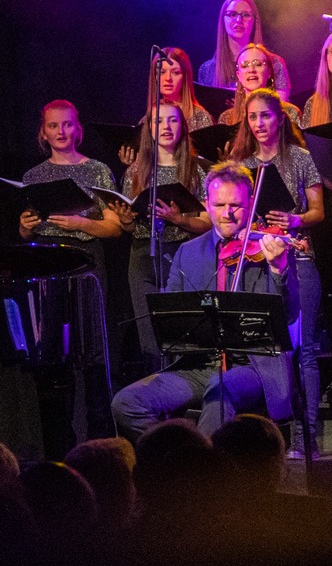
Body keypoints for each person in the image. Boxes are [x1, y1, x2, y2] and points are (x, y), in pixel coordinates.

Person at [109, 164, 295, 436]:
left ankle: (205, 473)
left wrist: (278, 269)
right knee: (126, 402)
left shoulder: (269, 250)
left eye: (236, 205)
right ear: (207, 204)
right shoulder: (188, 252)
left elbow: (289, 314)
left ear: (252, 203)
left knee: (219, 390)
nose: (228, 213)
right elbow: (171, 314)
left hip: (252, 368)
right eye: (219, 204)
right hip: (199, 367)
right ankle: (183, 457)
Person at [227, 90, 327, 445]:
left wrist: (294, 218)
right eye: (252, 118)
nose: (259, 124)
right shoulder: (244, 163)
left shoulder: (299, 158)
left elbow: (319, 211)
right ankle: (275, 436)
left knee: (307, 348)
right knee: (272, 349)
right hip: (258, 260)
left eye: (265, 116)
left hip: (299, 257)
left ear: (280, 118)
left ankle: (309, 434)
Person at [120, 102, 212, 364]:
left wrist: (179, 219)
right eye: (158, 121)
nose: (166, 127)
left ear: (183, 126)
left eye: (172, 120)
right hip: (142, 256)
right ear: (148, 128)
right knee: (150, 335)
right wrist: (126, 220)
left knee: (182, 331)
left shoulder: (197, 169)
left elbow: (208, 222)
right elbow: (128, 225)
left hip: (183, 253)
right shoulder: (135, 171)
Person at [17, 100, 124, 244]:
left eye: (67, 124)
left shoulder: (98, 170)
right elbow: (27, 235)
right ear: (43, 133)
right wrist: (25, 227)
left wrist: (81, 224)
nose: (60, 132)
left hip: (85, 252)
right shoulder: (32, 175)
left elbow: (115, 228)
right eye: (53, 126)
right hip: (44, 253)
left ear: (78, 129)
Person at [197, 0, 292, 92]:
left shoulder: (274, 63)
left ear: (255, 21)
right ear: (223, 20)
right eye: (232, 14)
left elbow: (282, 106)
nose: (238, 20)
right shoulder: (207, 70)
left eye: (246, 15)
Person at [143, 47, 212, 131]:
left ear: (185, 77)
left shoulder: (200, 118)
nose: (168, 78)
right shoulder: (146, 121)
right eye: (162, 72)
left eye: (175, 72)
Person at [217, 43, 288, 124]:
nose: (251, 70)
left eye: (257, 64)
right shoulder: (227, 118)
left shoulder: (288, 113)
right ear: (238, 75)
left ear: (269, 72)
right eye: (245, 65)